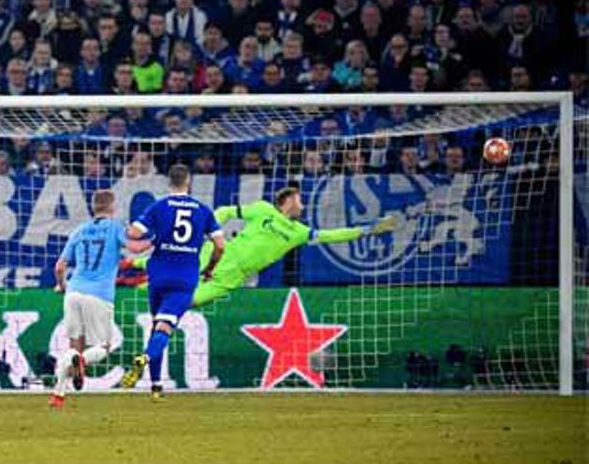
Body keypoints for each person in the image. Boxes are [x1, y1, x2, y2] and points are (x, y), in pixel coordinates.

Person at [124, 187, 397, 308]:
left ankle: (134, 289)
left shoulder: (300, 232)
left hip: (233, 278)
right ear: (288, 200)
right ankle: (126, 267)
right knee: (164, 266)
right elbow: (226, 210)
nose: (302, 206)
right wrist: (208, 228)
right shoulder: (264, 209)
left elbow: (332, 235)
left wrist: (367, 229)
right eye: (299, 201)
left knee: (188, 300)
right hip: (223, 254)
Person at [119, 164, 225, 398]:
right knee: (164, 328)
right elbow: (220, 245)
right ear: (188, 182)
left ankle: (156, 386)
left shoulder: (158, 206)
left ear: (170, 183)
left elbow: (134, 234)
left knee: (158, 325)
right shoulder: (203, 210)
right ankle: (145, 358)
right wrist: (210, 268)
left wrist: (153, 236)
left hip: (158, 276)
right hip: (185, 278)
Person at [49, 190, 127, 408]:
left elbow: (59, 266)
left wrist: (62, 286)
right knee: (104, 346)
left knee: (74, 346)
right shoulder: (115, 227)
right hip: (99, 294)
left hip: (74, 291)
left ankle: (58, 395)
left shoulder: (79, 230)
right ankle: (82, 361)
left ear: (94, 207)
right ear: (112, 207)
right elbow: (132, 246)